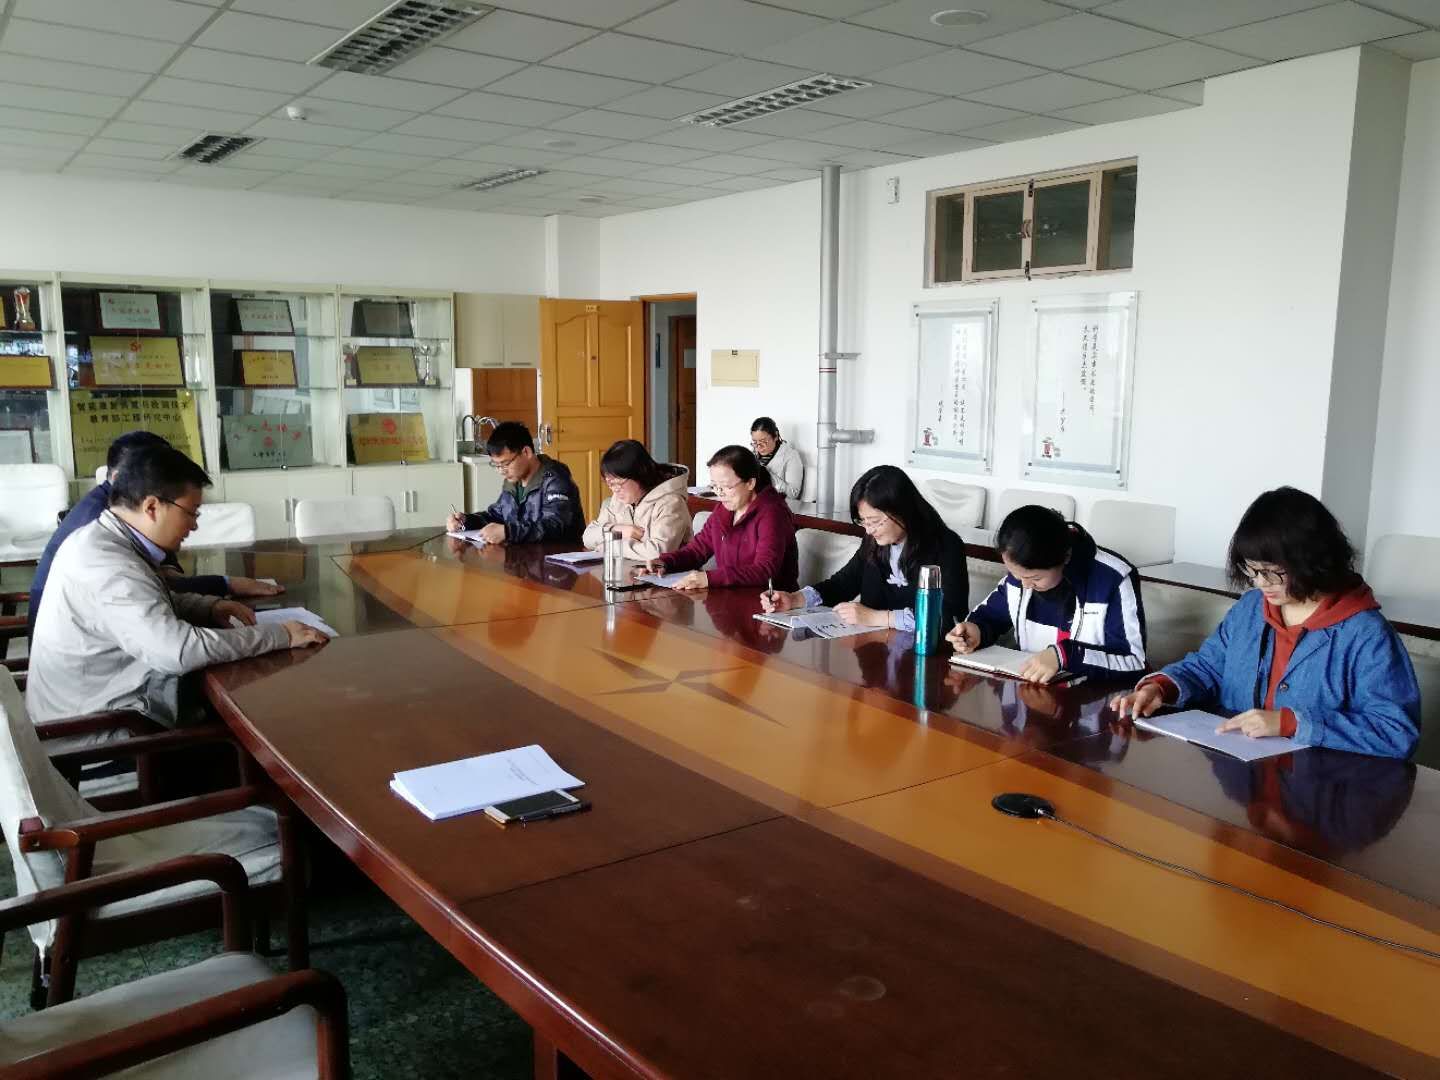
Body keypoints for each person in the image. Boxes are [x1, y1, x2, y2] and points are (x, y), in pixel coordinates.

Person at [26, 444, 328, 729]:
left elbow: (149, 601)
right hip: (96, 729)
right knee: (268, 713)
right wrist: (281, 634)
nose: (194, 525)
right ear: (152, 507)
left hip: (97, 699)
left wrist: (210, 607)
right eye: (191, 512)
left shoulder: (104, 538)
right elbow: (179, 651)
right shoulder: (107, 565)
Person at [1110, 487, 1421, 759]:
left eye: (1272, 571)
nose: (1261, 582)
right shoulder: (1251, 609)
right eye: (1252, 570)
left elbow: (1396, 731)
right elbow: (1208, 667)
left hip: (1320, 786)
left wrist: (1291, 723)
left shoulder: (1365, 633)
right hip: (1241, 773)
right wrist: (1161, 687)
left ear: (1312, 560)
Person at [25, 430, 282, 637]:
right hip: (91, 669)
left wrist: (211, 603)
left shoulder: (118, 515)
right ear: (123, 477)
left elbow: (156, 586)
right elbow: (174, 643)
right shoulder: (96, 525)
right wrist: (226, 585)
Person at [949, 505, 1147, 683]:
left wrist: (1065, 656)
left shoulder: (1113, 578)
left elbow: (1134, 663)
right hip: (1028, 695)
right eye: (1015, 575)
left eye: (1035, 578)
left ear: (1065, 557)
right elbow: (990, 617)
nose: (1025, 585)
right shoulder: (1021, 574)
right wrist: (976, 631)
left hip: (1092, 703)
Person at [760, 465, 967, 629]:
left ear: (903, 511)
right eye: (863, 522)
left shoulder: (946, 546)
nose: (868, 530)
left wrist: (877, 618)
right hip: (874, 652)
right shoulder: (874, 542)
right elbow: (842, 584)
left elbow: (950, 616)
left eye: (875, 521)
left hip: (923, 657)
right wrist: (795, 599)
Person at [643, 445, 798, 591]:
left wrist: (710, 578)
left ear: (750, 483)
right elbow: (697, 551)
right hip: (731, 597)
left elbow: (764, 571)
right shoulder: (724, 509)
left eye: (726, 487)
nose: (720, 493)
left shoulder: (773, 513)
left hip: (772, 602)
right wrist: (666, 562)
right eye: (714, 486)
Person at [445, 421, 583, 545]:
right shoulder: (514, 481)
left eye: (505, 464)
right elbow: (497, 516)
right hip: (524, 558)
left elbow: (555, 526)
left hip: (555, 558)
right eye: (497, 465)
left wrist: (508, 532)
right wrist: (466, 521)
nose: (501, 471)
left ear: (526, 452)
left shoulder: (555, 479)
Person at [581, 439, 691, 561]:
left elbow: (658, 552)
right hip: (628, 569)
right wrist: (618, 530)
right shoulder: (620, 499)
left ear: (639, 474)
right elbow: (588, 537)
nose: (615, 489)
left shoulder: (671, 502)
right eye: (610, 483)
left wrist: (611, 546)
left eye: (619, 483)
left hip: (670, 572)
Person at [750, 417, 803, 499]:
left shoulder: (791, 456)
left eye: (763, 441)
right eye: (755, 442)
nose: (759, 447)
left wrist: (766, 473)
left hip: (774, 502)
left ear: (776, 436)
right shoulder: (753, 454)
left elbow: (793, 494)